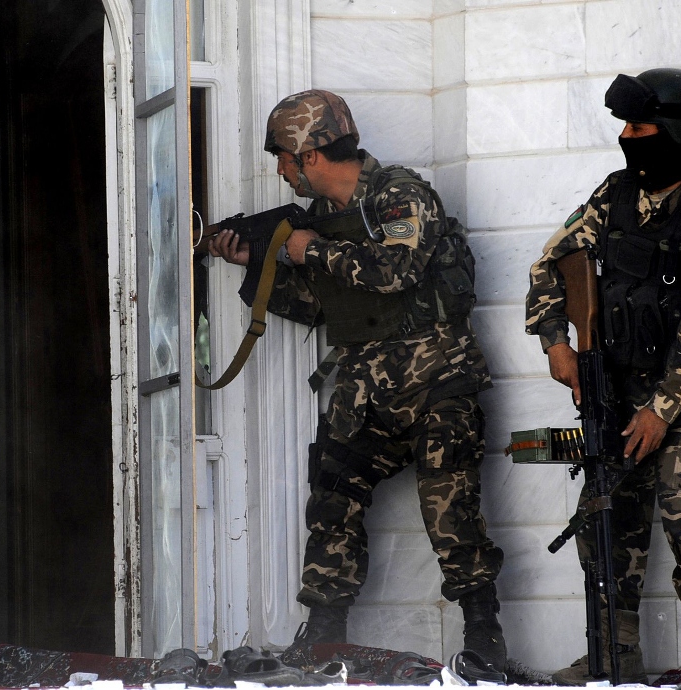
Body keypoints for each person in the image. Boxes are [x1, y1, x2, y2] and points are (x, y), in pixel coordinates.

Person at [209, 90, 507, 671]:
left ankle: (485, 637)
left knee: (451, 510)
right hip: (367, 389)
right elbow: (323, 307)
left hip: (437, 379)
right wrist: (258, 268)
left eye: (283, 157)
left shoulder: (400, 193)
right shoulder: (321, 222)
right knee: (331, 498)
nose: (279, 170)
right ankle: (323, 635)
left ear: (311, 154)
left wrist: (310, 251)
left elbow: (396, 271)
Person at [525, 68, 681, 683]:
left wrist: (662, 409)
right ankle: (613, 651)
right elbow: (552, 265)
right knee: (604, 518)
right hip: (611, 387)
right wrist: (555, 344)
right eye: (624, 125)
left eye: (640, 126)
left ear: (676, 132)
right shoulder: (613, 195)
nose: (627, 137)